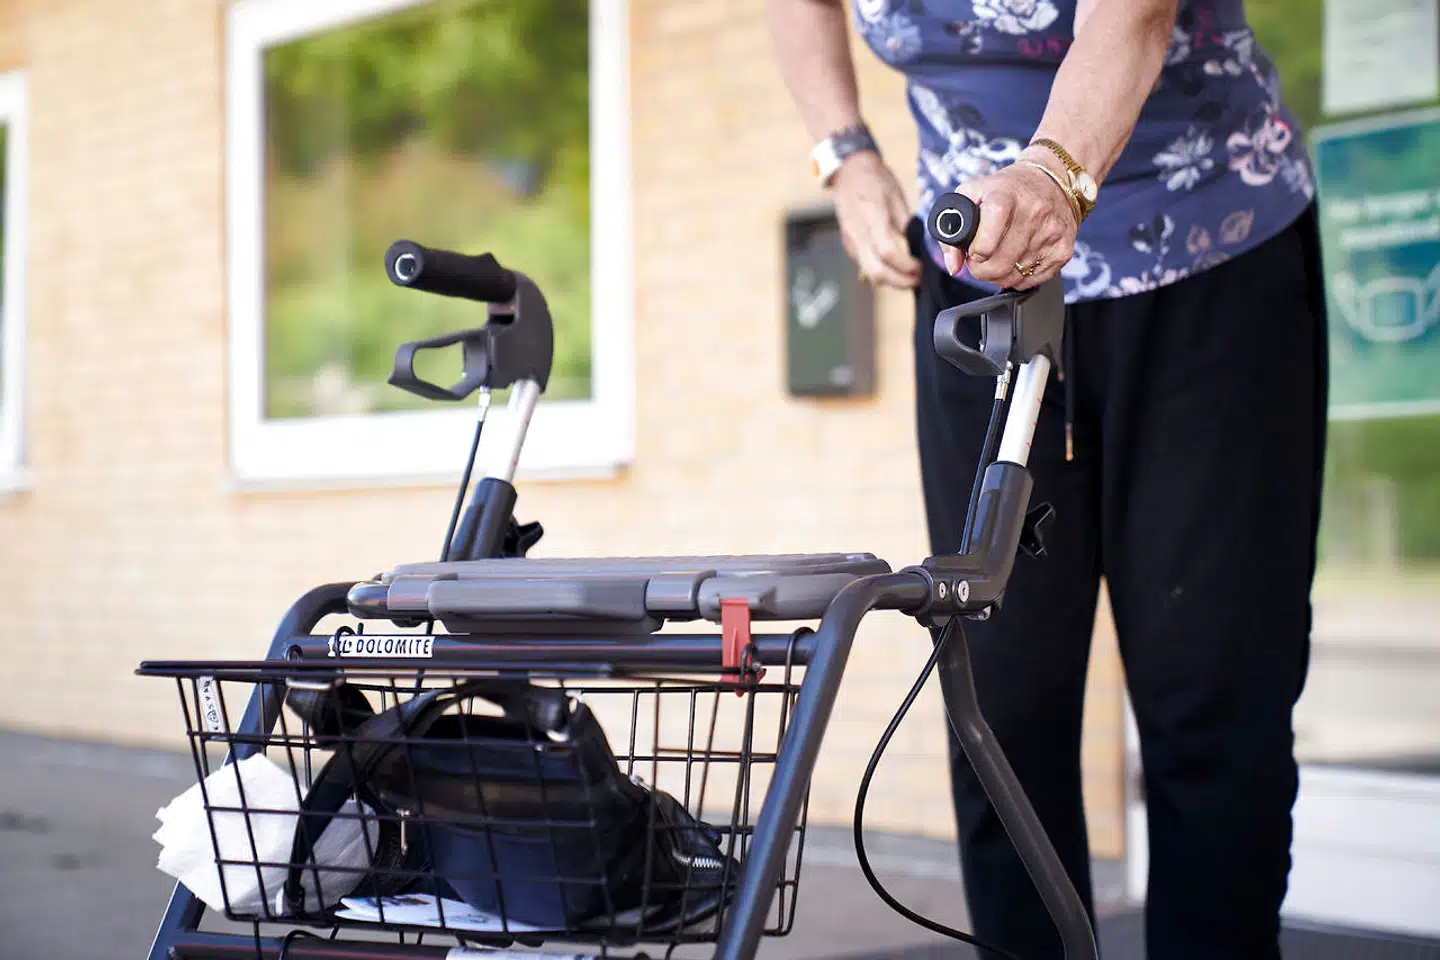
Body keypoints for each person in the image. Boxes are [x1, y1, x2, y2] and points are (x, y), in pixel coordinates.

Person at [765, 1, 1328, 958]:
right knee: (1000, 702)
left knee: (1211, 690)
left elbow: (1134, 17)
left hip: (1210, 250)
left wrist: (1050, 174)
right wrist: (846, 154)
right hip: (985, 293)